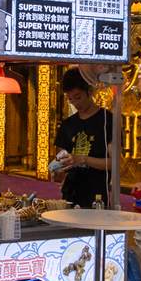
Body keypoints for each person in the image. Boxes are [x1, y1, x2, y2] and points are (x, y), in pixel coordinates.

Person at [53, 69, 115, 209]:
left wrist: (83, 159)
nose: (75, 103)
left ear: (90, 91)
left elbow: (115, 163)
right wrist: (58, 170)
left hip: (97, 198)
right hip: (70, 196)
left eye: (78, 97)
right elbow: (59, 161)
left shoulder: (107, 120)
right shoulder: (67, 124)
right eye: (70, 99)